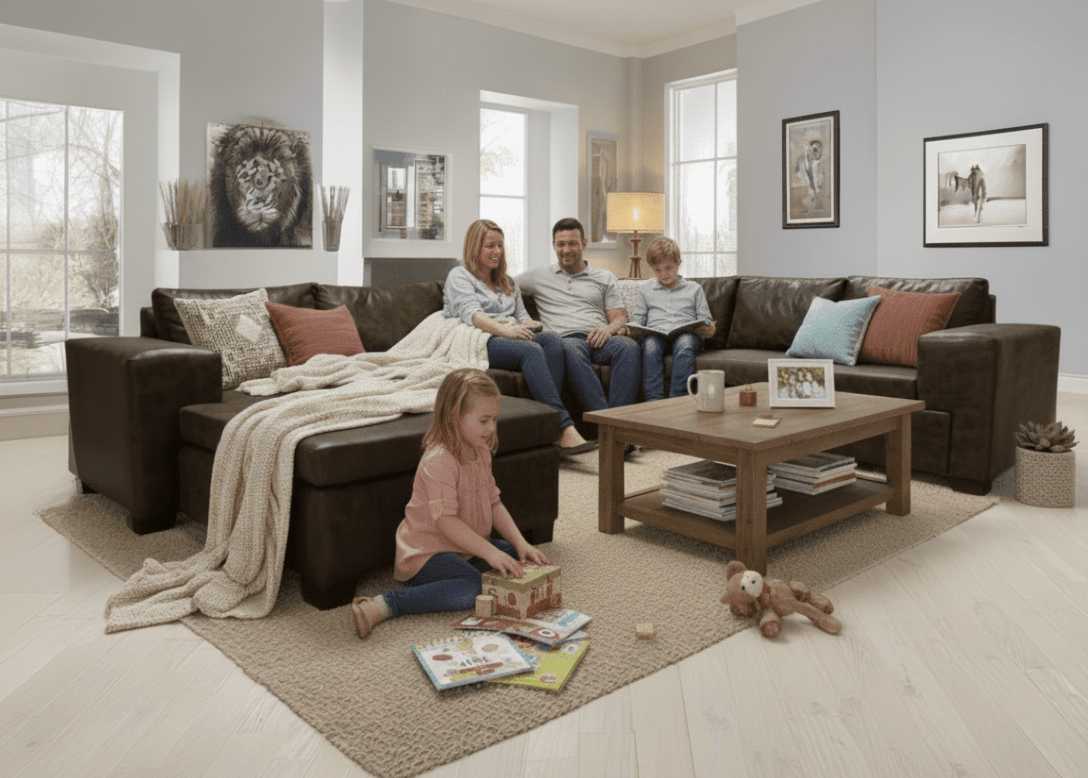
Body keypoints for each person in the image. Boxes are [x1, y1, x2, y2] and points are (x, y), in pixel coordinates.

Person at [351, 368, 553, 639]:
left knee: (514, 556)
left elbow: (494, 503)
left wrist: (521, 543)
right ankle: (385, 604)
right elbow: (445, 521)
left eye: (494, 419)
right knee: (470, 588)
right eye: (484, 420)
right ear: (455, 416)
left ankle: (491, 562)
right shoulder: (439, 459)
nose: (491, 428)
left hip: (465, 549)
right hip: (427, 553)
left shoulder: (480, 451)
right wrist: (489, 553)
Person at [442, 219, 592, 452]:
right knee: (530, 350)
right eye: (490, 246)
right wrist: (508, 331)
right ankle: (562, 427)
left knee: (552, 340)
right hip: (477, 337)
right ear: (475, 247)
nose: (497, 252)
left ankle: (543, 426)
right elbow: (473, 316)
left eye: (500, 246)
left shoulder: (507, 282)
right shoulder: (459, 276)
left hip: (507, 334)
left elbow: (521, 316)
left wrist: (530, 325)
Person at [516, 218, 640, 417]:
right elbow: (502, 285)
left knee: (628, 347)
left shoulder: (604, 277)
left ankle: (621, 422)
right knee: (570, 347)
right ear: (554, 246)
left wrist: (608, 330)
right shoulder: (537, 276)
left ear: (584, 244)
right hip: (566, 340)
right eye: (561, 244)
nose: (566, 250)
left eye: (572, 243)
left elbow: (620, 317)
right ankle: (608, 425)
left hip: (600, 339)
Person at [628, 237, 714, 402]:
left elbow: (705, 318)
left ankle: (677, 400)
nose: (664, 274)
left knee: (685, 342)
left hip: (687, 335)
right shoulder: (646, 289)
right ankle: (653, 401)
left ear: (679, 263)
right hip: (657, 334)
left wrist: (707, 326)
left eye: (668, 268)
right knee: (650, 344)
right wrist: (631, 328)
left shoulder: (694, 289)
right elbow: (638, 319)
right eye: (657, 270)